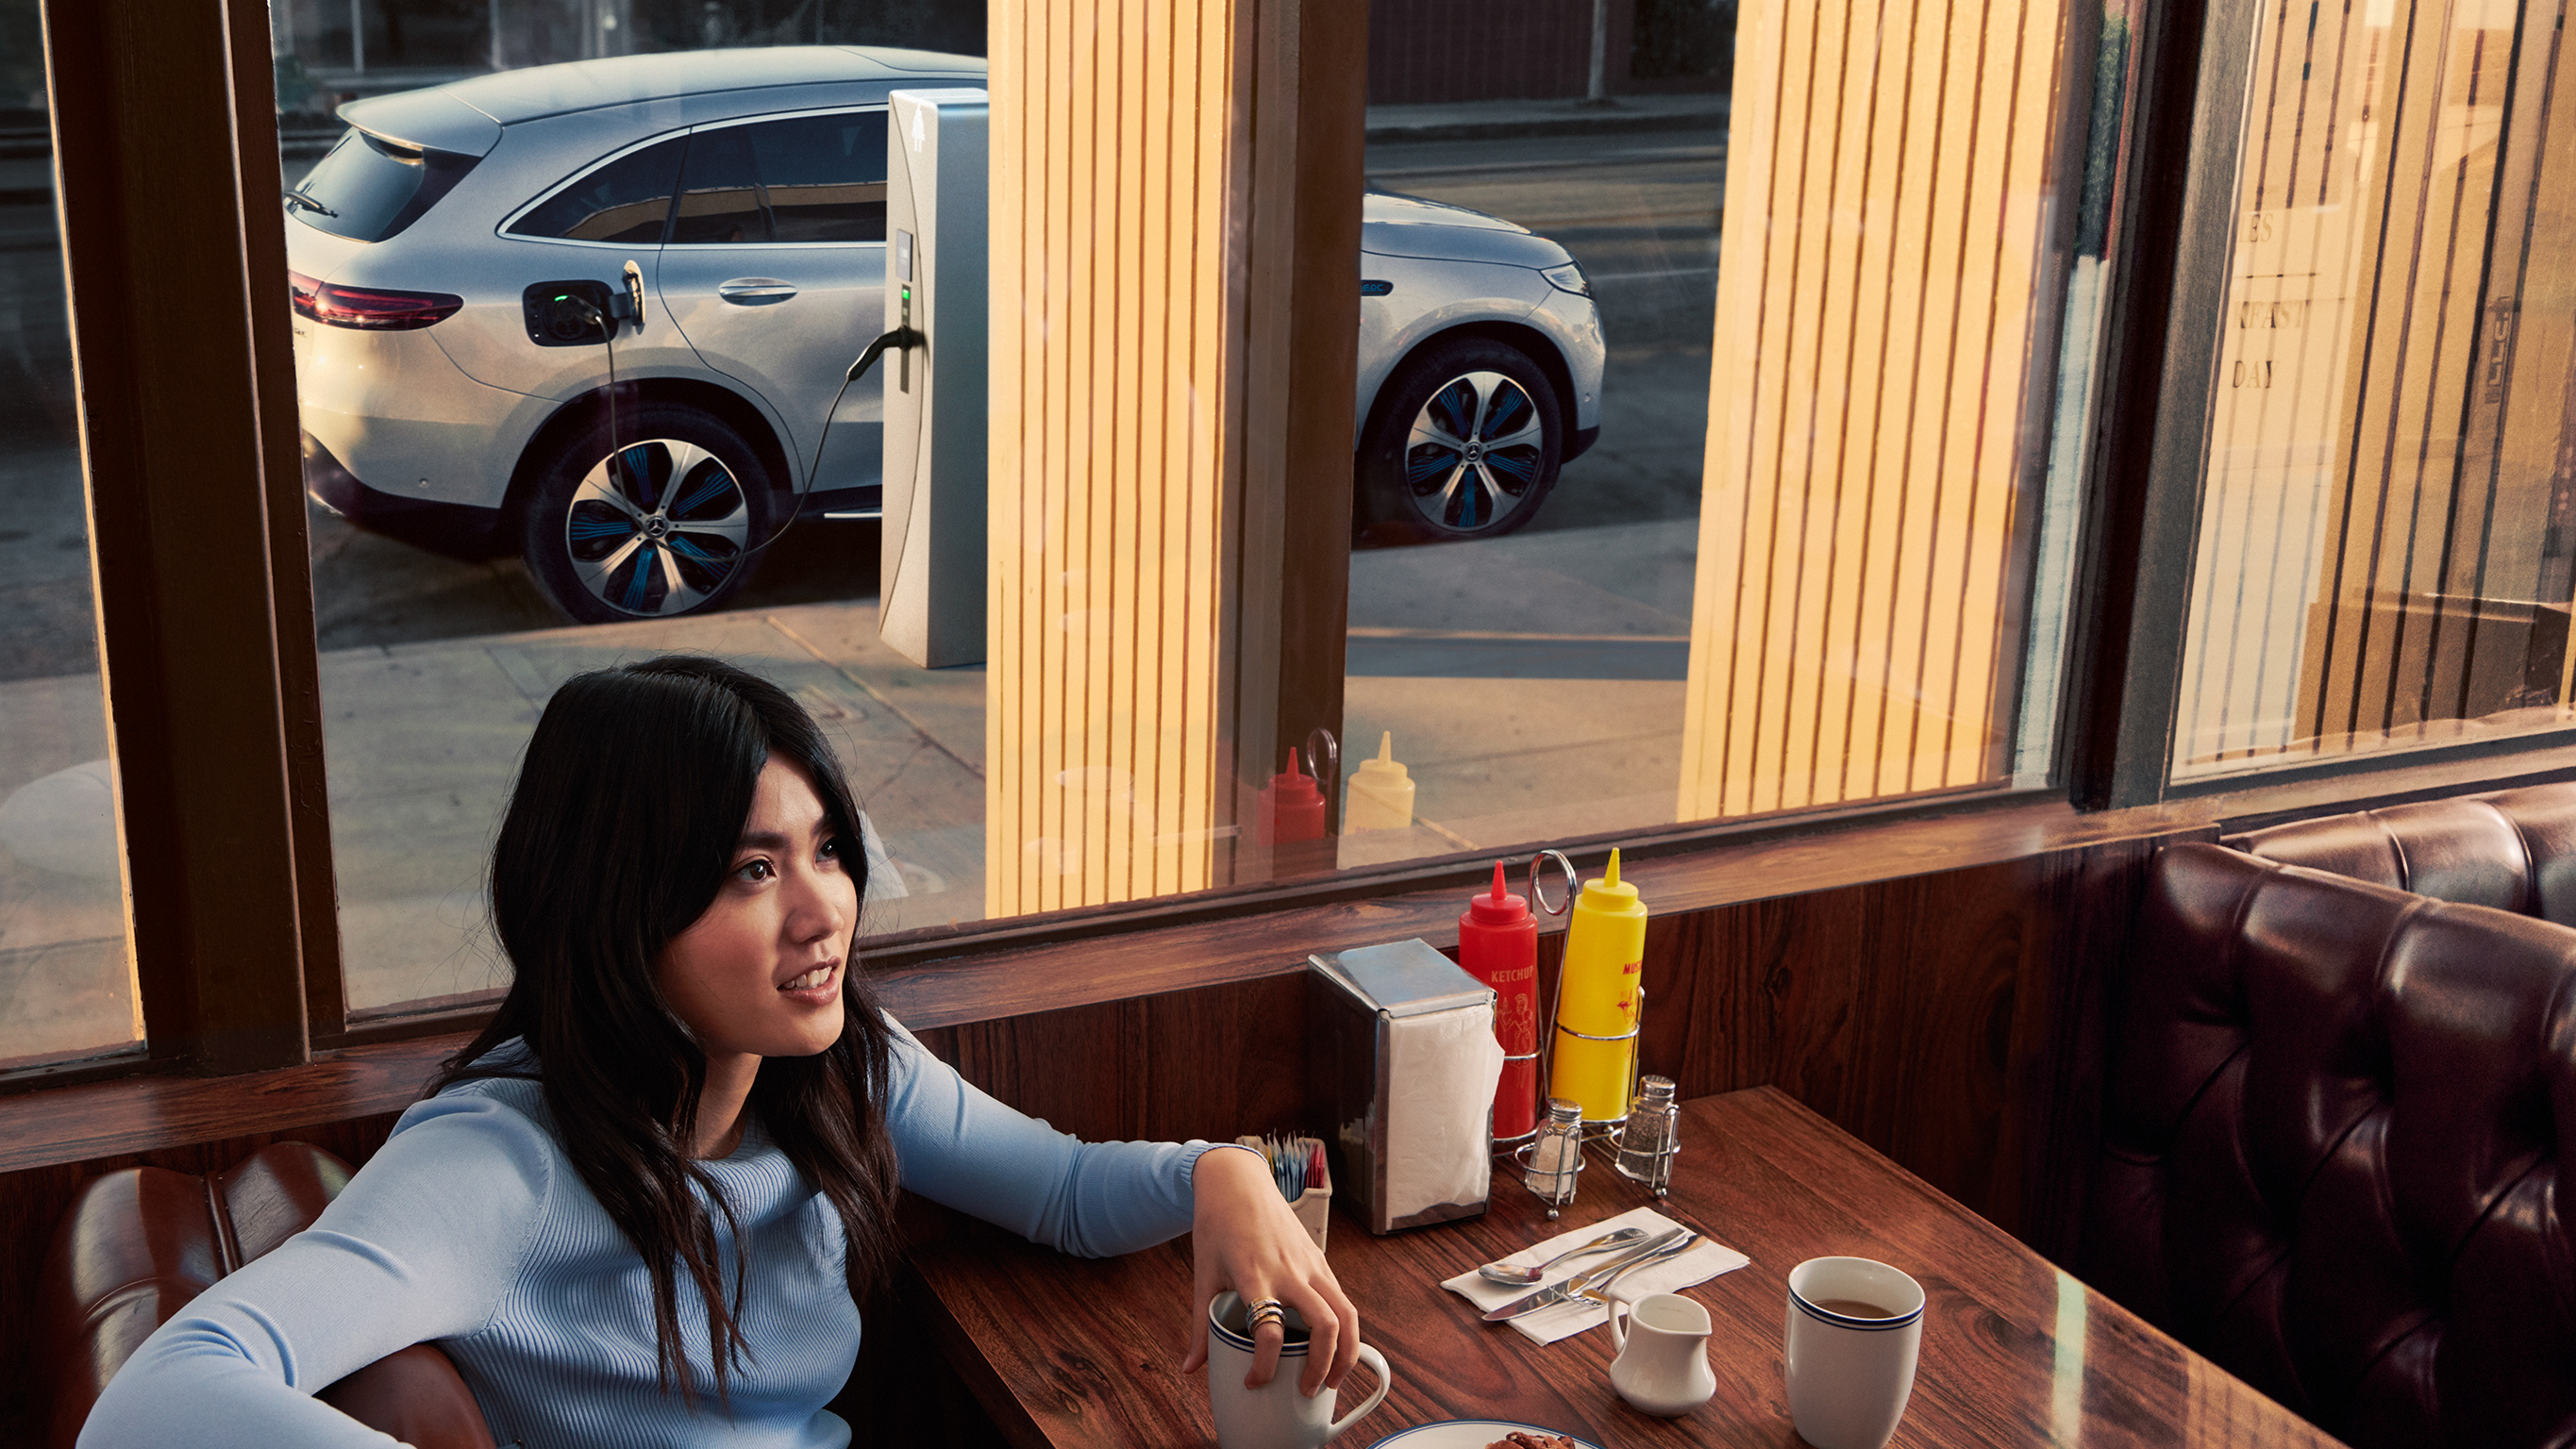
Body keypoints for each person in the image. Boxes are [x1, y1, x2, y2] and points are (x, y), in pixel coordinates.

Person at [82, 655, 1356, 1447]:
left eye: (826, 850)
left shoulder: (836, 1067)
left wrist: (1224, 1178)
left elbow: (1065, 1191)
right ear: (618, 903)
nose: (823, 912)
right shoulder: (498, 1168)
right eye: (753, 870)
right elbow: (155, 1404)